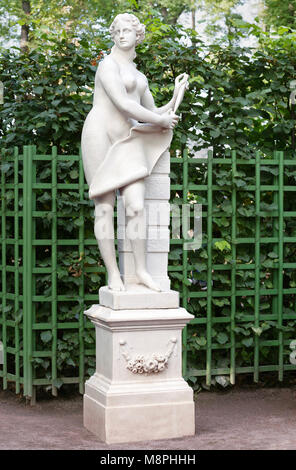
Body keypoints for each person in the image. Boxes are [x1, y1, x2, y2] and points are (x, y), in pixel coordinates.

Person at [81, 13, 188, 292]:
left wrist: (176, 96)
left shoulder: (140, 77)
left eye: (127, 30)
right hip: (100, 135)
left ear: (138, 35)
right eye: (117, 31)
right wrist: (160, 121)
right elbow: (125, 106)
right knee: (104, 207)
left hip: (127, 139)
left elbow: (152, 113)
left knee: (136, 206)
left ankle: (140, 270)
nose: (121, 35)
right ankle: (113, 273)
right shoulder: (107, 66)